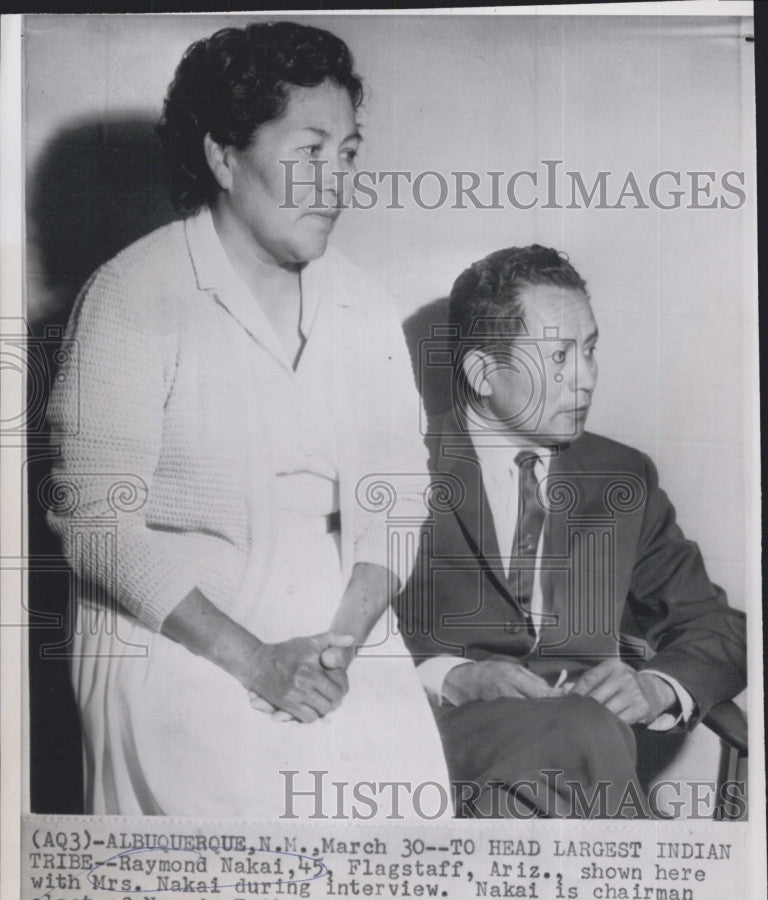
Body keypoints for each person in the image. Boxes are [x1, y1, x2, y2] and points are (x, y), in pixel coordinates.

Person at [46, 21, 448, 817]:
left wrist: (341, 643)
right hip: (174, 632)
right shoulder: (130, 296)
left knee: (405, 810)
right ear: (223, 157)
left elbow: (398, 495)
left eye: (349, 154)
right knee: (241, 812)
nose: (335, 183)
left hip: (339, 629)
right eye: (308, 152)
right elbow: (97, 523)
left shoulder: (362, 306)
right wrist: (260, 662)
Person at [397, 245, 746, 819]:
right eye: (557, 357)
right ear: (483, 373)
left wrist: (659, 686)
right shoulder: (402, 463)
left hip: (575, 769)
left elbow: (719, 628)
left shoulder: (621, 477)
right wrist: (453, 677)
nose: (585, 379)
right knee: (582, 734)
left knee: (576, 740)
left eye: (589, 350)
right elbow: (332, 633)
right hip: (437, 746)